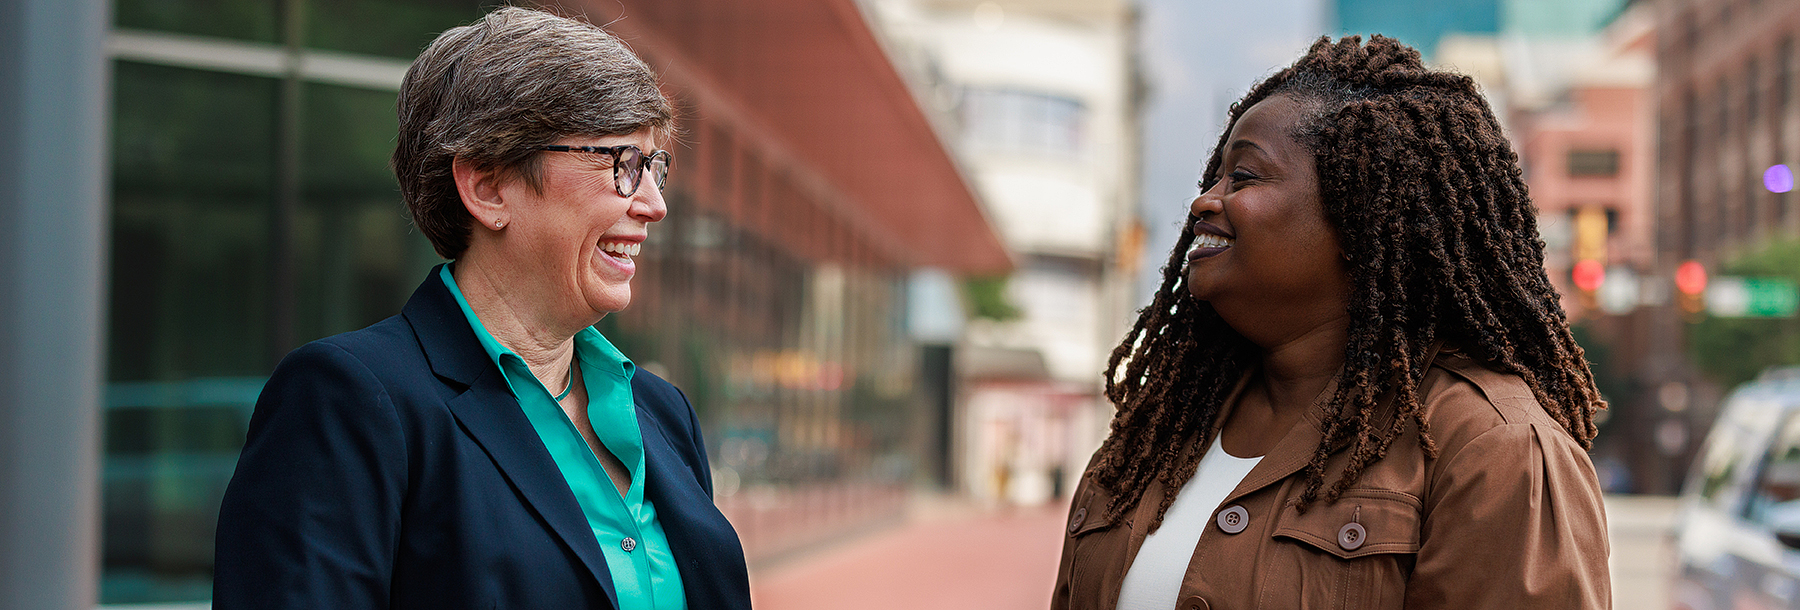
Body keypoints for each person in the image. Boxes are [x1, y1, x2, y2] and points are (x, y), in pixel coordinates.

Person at [213, 8, 751, 609]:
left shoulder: (663, 411)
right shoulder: (349, 402)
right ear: (488, 186)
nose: (654, 204)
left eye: (655, 167)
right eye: (621, 164)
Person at [1053, 35, 1610, 610]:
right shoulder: (1158, 427)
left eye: (1243, 177)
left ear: (1360, 217)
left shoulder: (1494, 447)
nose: (1204, 202)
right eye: (1213, 178)